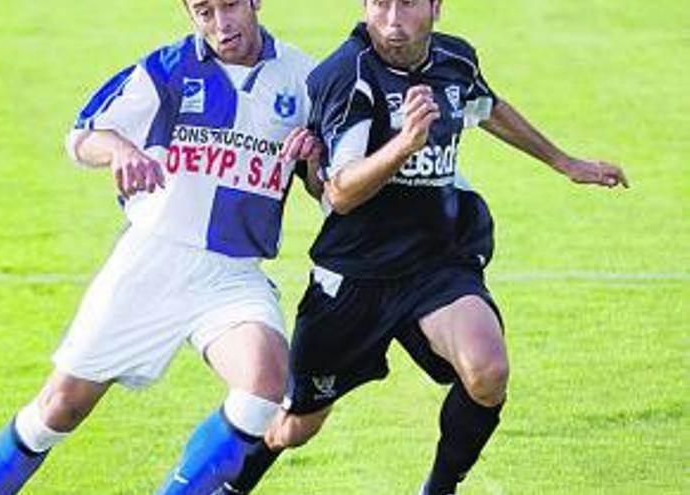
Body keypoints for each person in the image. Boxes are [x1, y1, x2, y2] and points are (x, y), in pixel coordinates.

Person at [217, 1, 630, 494]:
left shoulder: (454, 61)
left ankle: (438, 489)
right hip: (355, 275)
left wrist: (564, 162)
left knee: (487, 370)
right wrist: (404, 144)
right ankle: (230, 487)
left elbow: (485, 106)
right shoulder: (347, 75)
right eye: (379, 4)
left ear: (436, 6)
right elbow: (341, 194)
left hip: (437, 260)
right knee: (296, 426)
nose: (392, 19)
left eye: (408, 3)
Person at [0, 1, 323, 493]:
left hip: (233, 274)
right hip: (153, 261)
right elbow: (82, 136)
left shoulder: (304, 78)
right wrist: (121, 150)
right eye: (204, 11)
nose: (221, 24)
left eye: (232, 5)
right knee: (59, 409)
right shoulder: (168, 68)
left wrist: (315, 159)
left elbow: (328, 189)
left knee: (266, 381)